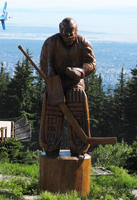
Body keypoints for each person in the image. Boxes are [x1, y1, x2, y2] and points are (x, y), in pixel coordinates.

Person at [39, 17, 96, 158]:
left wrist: (81, 72)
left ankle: (79, 146)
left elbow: (91, 62)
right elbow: (46, 64)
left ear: (76, 31)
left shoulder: (83, 43)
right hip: (56, 80)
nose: (69, 35)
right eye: (65, 31)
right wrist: (52, 80)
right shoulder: (51, 43)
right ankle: (50, 145)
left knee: (77, 97)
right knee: (53, 106)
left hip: (75, 81)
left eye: (71, 31)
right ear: (60, 29)